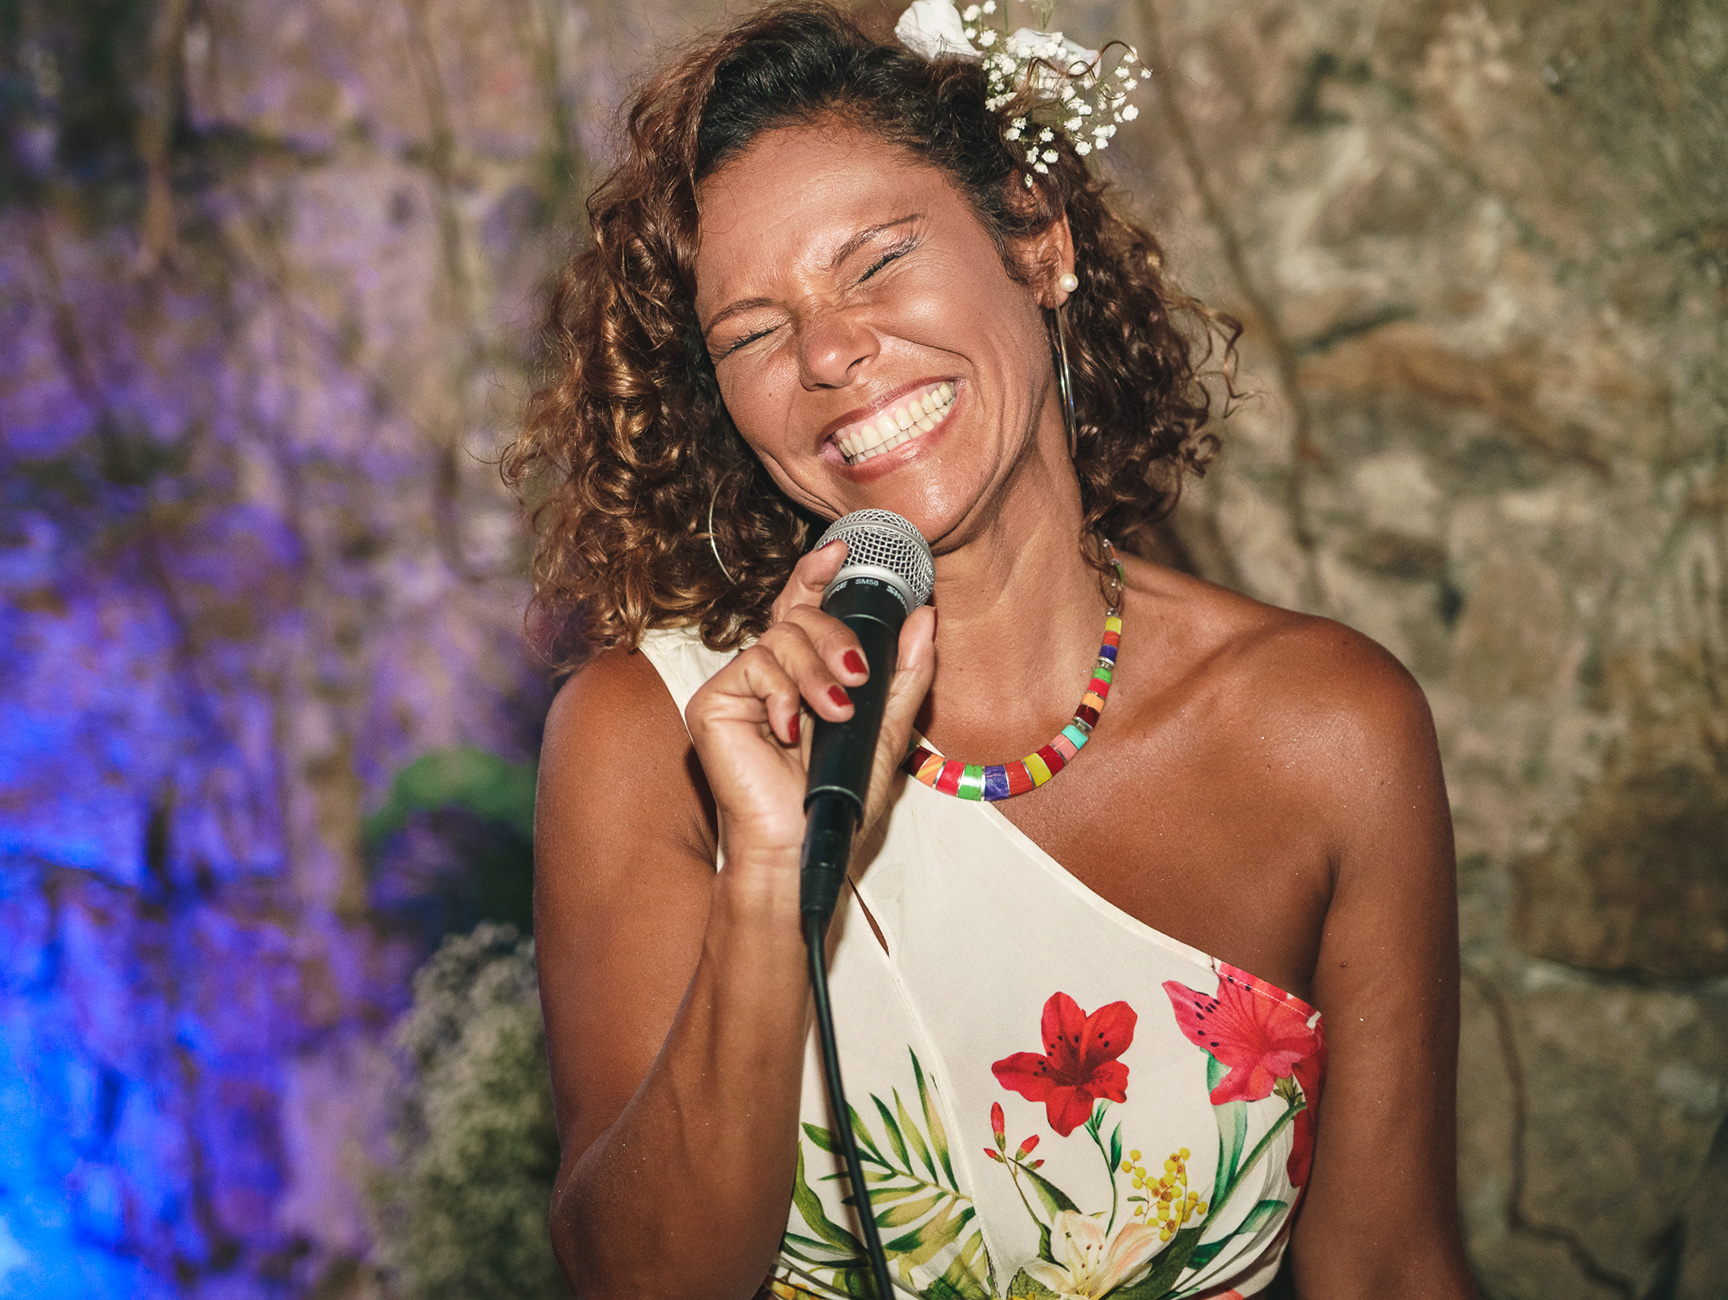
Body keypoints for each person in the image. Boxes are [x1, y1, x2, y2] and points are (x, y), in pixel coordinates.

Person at [505, 4, 1476, 1297]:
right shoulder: (652, 736)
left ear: (1037, 240)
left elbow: (1391, 1266)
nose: (829, 352)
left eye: (876, 262)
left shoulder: (1329, 732)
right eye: (752, 332)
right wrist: (773, 874)